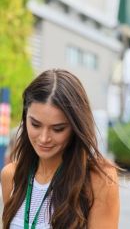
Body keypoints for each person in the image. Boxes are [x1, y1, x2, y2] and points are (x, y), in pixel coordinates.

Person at [1, 69, 119, 228]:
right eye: (35, 124)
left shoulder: (99, 179)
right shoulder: (12, 175)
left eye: (58, 129)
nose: (44, 138)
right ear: (25, 118)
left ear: (76, 126)